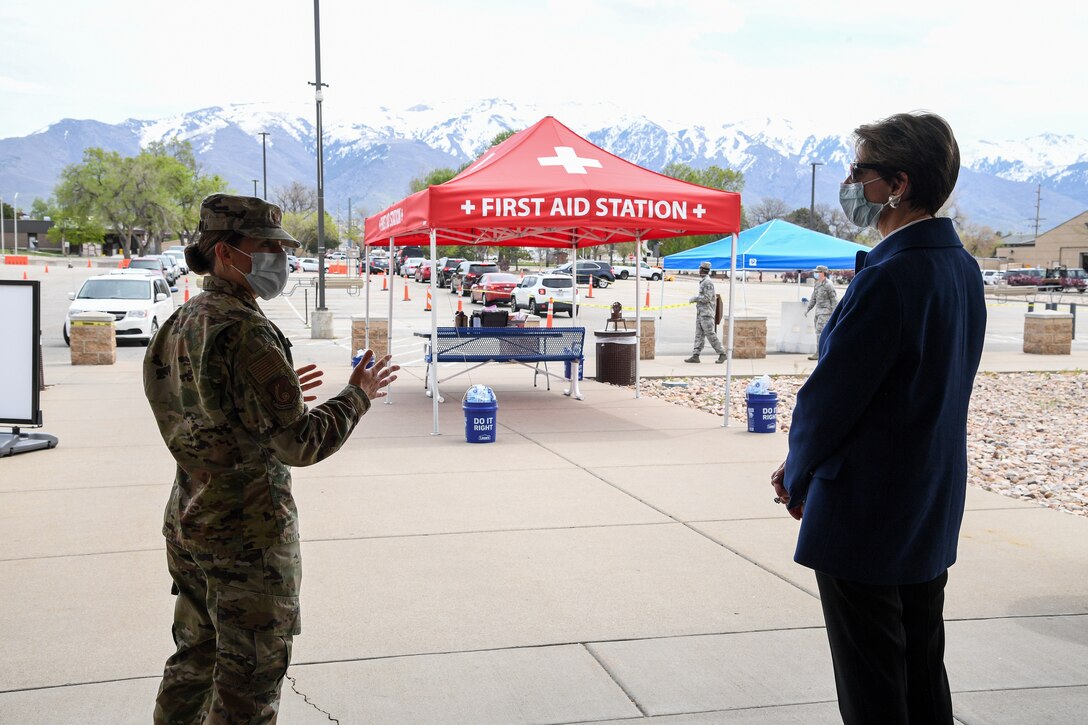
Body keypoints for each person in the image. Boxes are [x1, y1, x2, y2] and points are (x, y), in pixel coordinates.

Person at [143, 193, 399, 724]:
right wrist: (358, 395)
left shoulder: (182, 320)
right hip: (246, 535)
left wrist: (265, 398)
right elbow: (298, 443)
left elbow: (189, 408)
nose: (279, 259)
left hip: (190, 519)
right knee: (249, 679)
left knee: (196, 657)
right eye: (266, 246)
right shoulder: (246, 330)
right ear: (224, 251)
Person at [770, 112, 985, 724]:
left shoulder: (891, 277)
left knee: (872, 685)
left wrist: (798, 472)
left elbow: (830, 399)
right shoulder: (960, 269)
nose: (847, 183)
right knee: (921, 670)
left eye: (857, 171)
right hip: (928, 498)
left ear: (898, 183)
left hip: (866, 510)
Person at [684, 260, 727, 363]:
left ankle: (722, 353)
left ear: (703, 270)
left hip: (707, 314)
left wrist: (695, 298)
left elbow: (707, 298)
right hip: (701, 313)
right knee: (699, 334)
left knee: (710, 334)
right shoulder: (704, 281)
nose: (699, 271)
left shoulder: (707, 282)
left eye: (700, 269)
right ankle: (695, 355)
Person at [804, 265, 838, 360]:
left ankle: (820, 353)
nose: (816, 274)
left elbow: (834, 300)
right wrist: (808, 309)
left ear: (823, 273)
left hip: (826, 313)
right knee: (818, 332)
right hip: (818, 313)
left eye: (818, 272)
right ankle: (820, 352)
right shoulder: (817, 284)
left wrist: (835, 314)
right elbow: (813, 298)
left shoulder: (828, 284)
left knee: (821, 333)